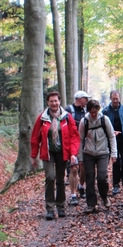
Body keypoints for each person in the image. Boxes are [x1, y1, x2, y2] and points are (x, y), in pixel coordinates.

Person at [30, 91, 80, 220]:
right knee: (50, 178)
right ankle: (50, 208)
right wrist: (33, 155)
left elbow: (74, 136)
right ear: (48, 102)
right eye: (51, 101)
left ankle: (61, 206)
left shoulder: (67, 117)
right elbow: (35, 137)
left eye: (56, 101)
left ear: (59, 102)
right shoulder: (42, 118)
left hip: (62, 152)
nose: (54, 103)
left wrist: (73, 154)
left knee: (60, 179)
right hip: (48, 152)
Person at [79, 99, 118, 214]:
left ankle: (104, 196)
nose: (93, 114)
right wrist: (80, 157)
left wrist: (114, 153)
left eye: (95, 111)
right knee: (89, 178)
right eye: (91, 112)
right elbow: (80, 140)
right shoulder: (84, 122)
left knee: (102, 177)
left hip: (103, 153)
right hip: (88, 153)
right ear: (88, 111)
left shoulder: (104, 120)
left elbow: (111, 137)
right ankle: (91, 204)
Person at [102, 90, 123, 195]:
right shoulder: (106, 111)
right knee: (116, 161)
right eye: (114, 99)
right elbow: (102, 125)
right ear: (111, 98)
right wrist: (111, 133)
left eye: (117, 99)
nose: (115, 101)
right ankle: (116, 184)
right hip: (112, 140)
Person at [65, 90, 90, 205]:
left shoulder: (86, 111)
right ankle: (73, 194)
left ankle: (81, 186)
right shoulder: (68, 110)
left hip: (84, 143)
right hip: (72, 143)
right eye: (85, 98)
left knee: (83, 167)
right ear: (79, 99)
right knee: (73, 168)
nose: (87, 100)